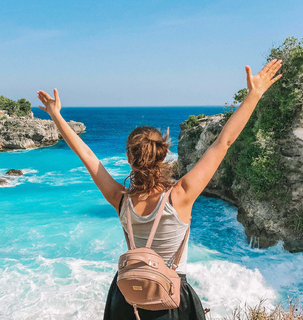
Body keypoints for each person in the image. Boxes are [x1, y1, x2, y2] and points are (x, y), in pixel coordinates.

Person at [36, 59, 282, 320]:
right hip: (171, 299)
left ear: (129, 160)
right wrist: (254, 94)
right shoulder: (181, 195)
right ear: (163, 157)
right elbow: (223, 143)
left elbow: (86, 155)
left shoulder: (120, 199)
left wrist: (56, 116)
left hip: (127, 298)